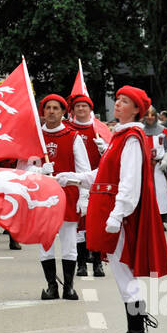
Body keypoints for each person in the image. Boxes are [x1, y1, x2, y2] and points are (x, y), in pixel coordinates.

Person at [60, 86, 167, 333]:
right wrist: (74, 177)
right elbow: (104, 172)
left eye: (125, 101)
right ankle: (136, 332)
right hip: (116, 214)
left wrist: (118, 214)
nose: (118, 104)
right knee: (123, 273)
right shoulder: (120, 137)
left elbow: (130, 183)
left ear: (136, 110)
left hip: (120, 217)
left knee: (124, 273)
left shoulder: (131, 138)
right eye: (118, 100)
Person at [36, 94, 90, 300]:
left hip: (68, 195)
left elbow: (84, 169)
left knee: (69, 241)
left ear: (63, 112)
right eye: (48, 107)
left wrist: (84, 197)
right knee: (46, 242)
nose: (51, 111)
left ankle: (69, 286)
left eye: (56, 108)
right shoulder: (36, 137)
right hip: (42, 196)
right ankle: (51, 286)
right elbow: (24, 168)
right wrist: (39, 170)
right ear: (43, 111)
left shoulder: (73, 136)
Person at [69, 94, 106, 275]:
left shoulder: (99, 129)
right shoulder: (69, 129)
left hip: (97, 182)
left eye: (84, 106)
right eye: (78, 106)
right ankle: (81, 264)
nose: (81, 109)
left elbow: (113, 158)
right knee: (80, 225)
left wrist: (105, 149)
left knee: (97, 224)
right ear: (73, 110)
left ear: (90, 109)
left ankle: (98, 263)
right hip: (77, 182)